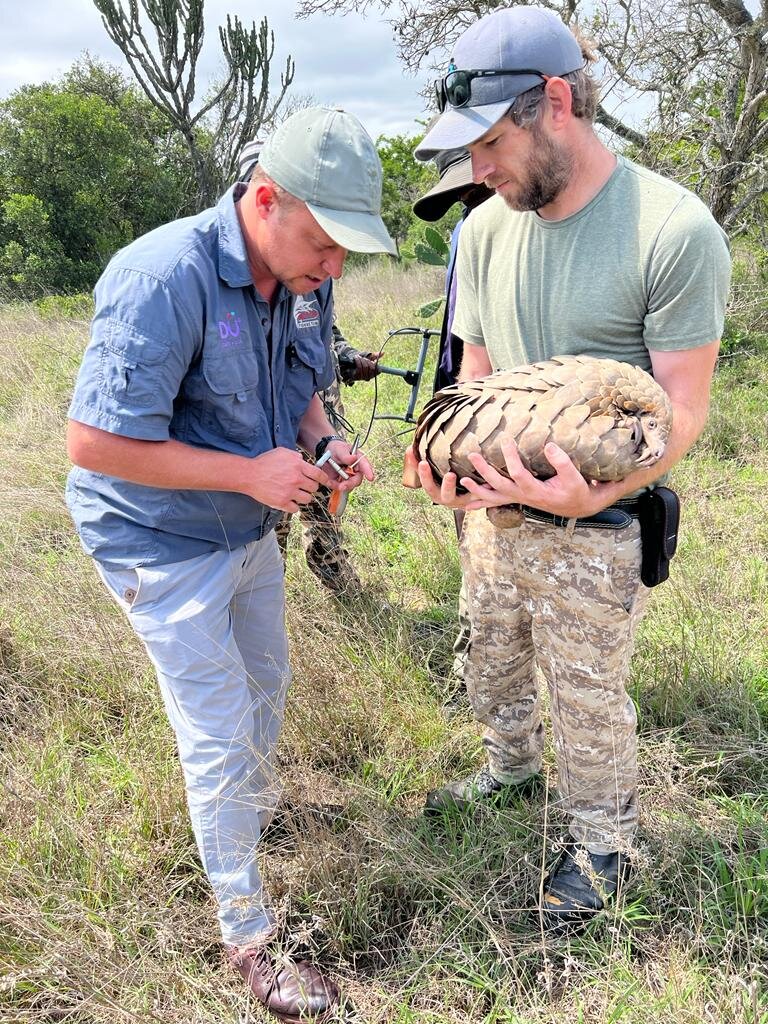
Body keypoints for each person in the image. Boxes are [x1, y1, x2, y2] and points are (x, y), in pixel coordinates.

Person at [65, 106, 396, 1021]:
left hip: (249, 528)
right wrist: (249, 472)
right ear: (264, 199)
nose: (335, 267)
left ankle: (244, 812)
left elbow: (303, 387)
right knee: (216, 725)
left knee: (268, 687)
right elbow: (94, 443)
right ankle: (248, 937)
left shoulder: (303, 276)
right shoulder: (160, 278)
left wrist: (324, 444)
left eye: (346, 251)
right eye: (325, 242)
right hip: (158, 540)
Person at [408, 6, 731, 931]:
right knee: (491, 658)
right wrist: (454, 468)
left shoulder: (672, 230)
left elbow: (686, 407)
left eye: (491, 144)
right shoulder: (481, 232)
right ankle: (508, 772)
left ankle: (602, 841)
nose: (478, 170)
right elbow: (472, 374)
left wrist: (595, 489)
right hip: (490, 519)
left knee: (585, 694)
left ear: (556, 102)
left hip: (597, 526)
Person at [238, 141, 382, 597]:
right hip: (262, 432)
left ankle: (330, 564)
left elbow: (325, 334)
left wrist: (348, 358)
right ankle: (267, 582)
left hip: (314, 405)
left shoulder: (311, 277)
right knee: (271, 515)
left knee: (324, 500)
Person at [413, 146, 491, 714]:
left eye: (473, 188)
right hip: (464, 408)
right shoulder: (471, 231)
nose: (468, 202)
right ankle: (475, 675)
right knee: (473, 553)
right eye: (460, 195)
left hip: (501, 425)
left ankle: (480, 676)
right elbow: (456, 347)